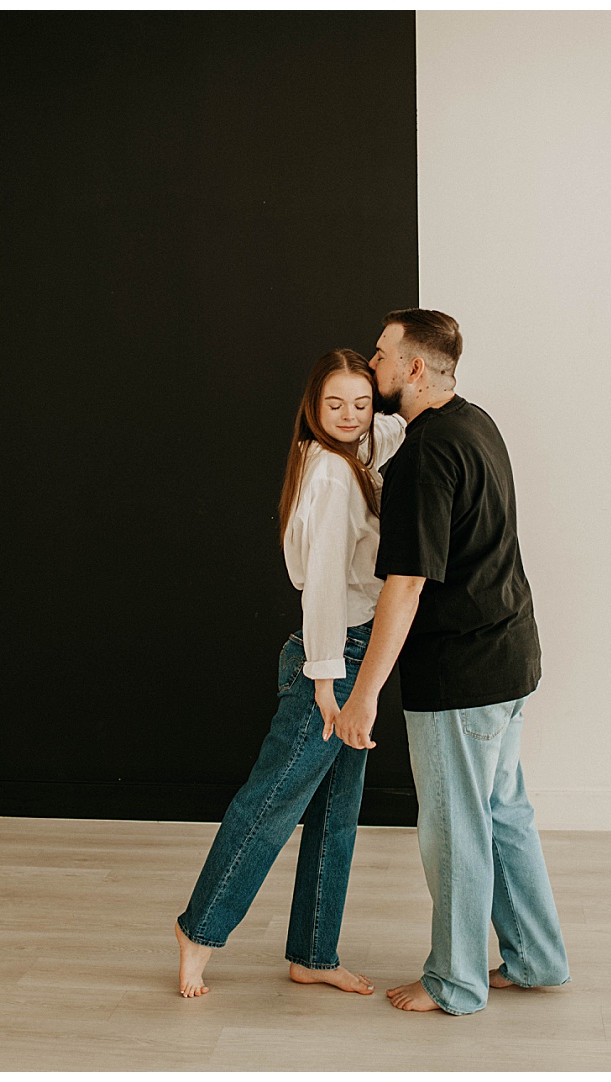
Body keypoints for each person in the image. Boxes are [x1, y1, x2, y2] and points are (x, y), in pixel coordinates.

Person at [333, 308, 570, 1016]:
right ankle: (537, 959)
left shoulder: (423, 457)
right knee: (502, 815)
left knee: (455, 830)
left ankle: (456, 981)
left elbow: (405, 587)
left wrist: (364, 694)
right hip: (509, 659)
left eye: (380, 357)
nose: (372, 369)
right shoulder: (475, 423)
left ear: (412, 368)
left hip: (460, 679)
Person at [174, 349, 406, 998]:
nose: (351, 416)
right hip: (333, 657)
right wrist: (328, 685)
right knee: (271, 805)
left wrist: (399, 416)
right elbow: (325, 587)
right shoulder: (332, 476)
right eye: (336, 404)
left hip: (354, 655)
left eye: (362, 403)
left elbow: (388, 431)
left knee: (337, 811)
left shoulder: (341, 452)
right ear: (313, 404)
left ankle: (313, 951)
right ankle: (199, 931)